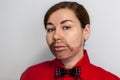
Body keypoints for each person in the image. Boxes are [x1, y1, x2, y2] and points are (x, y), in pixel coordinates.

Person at [20, 1, 120, 80]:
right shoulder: (31, 75)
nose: (55, 36)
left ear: (86, 31)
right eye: (50, 29)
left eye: (66, 27)